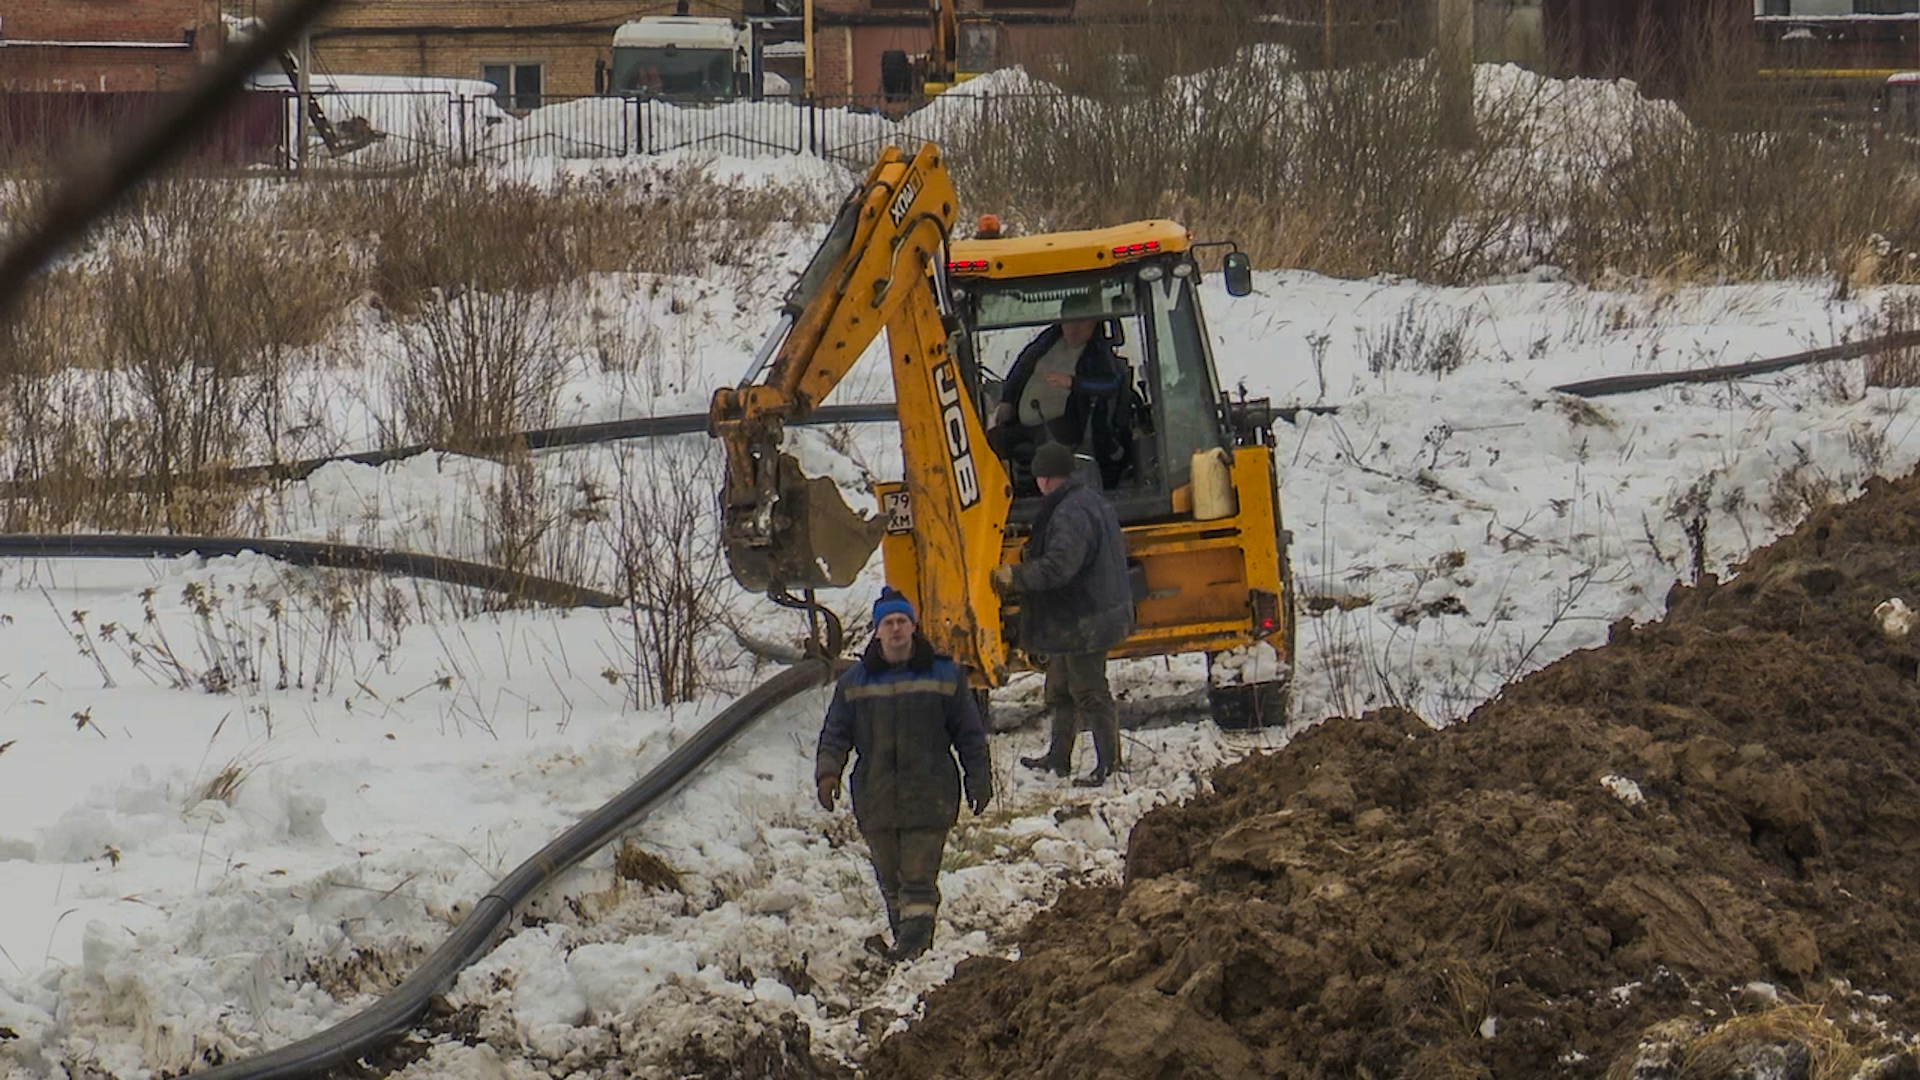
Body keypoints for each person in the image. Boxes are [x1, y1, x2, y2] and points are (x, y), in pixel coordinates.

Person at [815, 587, 993, 962]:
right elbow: (836, 732)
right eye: (889, 623)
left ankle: (914, 951)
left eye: (902, 621)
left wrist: (978, 776)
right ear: (878, 631)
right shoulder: (855, 682)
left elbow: (969, 733)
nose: (896, 629)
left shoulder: (945, 675)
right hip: (876, 797)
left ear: (913, 627)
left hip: (930, 794)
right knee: (891, 880)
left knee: (917, 880)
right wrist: (828, 773)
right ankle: (906, 946)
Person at [989, 441, 1134, 787]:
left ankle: (1110, 765)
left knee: (1089, 690)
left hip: (1085, 617)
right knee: (1060, 688)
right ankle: (1058, 758)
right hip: (1079, 614)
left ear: (1044, 478)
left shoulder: (1070, 512)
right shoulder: (1088, 500)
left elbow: (1060, 566)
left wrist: (1016, 577)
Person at [986, 318, 1130, 486]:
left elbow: (1111, 384)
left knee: (1049, 452)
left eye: (1082, 322)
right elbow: (1022, 367)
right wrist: (1008, 400)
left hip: (1066, 425)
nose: (1073, 328)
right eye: (1067, 321)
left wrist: (1073, 382)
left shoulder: (1097, 352)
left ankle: (1050, 493)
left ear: (1094, 323)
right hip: (1023, 423)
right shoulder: (1047, 341)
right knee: (992, 441)